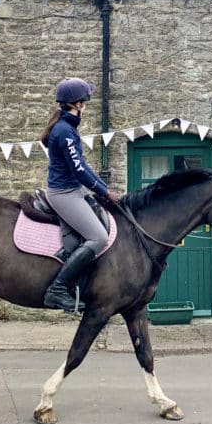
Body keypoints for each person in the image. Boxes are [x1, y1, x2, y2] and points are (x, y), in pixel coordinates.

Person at [40, 77, 121, 312]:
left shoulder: (68, 128)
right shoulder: (64, 131)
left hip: (74, 191)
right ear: (77, 104)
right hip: (63, 194)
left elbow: (83, 167)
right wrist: (104, 191)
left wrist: (103, 191)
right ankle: (57, 290)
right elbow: (78, 170)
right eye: (85, 100)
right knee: (98, 238)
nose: (86, 104)